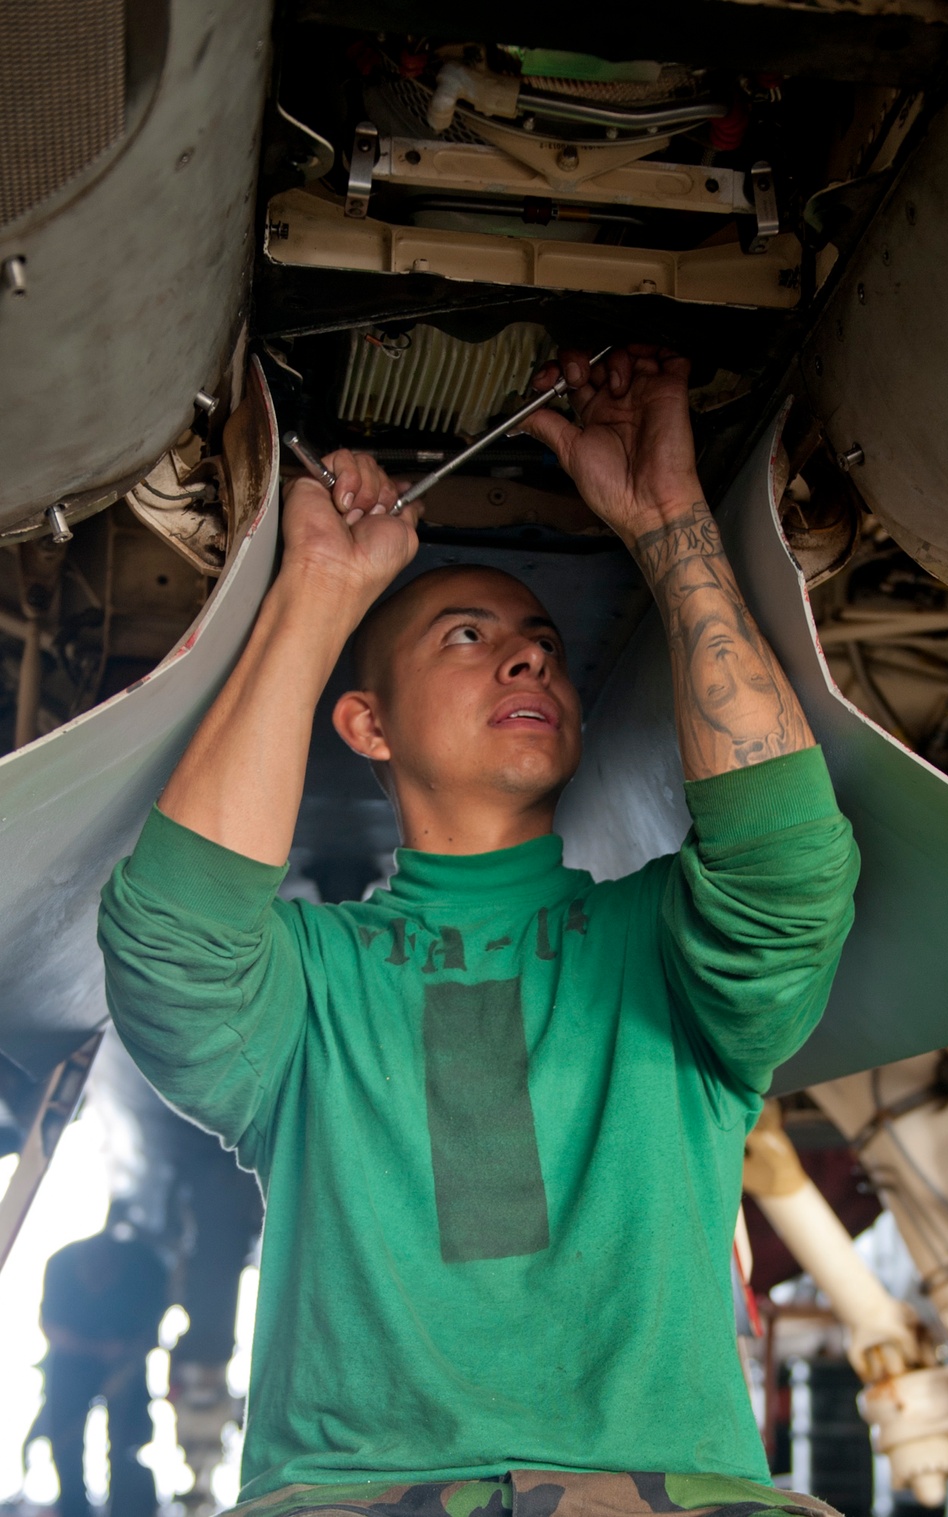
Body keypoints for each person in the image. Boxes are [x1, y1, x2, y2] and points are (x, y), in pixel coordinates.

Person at [97, 347, 859, 1517]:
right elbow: (171, 947)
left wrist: (666, 519)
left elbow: (786, 869)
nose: (528, 653)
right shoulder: (311, 985)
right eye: (464, 635)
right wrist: (322, 587)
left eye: (542, 643)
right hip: (357, 1495)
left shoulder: (662, 946)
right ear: (366, 723)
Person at [31, 1215, 166, 1517]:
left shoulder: (146, 1268)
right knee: (64, 1445)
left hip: (126, 1361)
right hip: (71, 1363)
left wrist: (126, 1353)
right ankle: (74, 1511)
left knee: (128, 1443)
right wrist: (95, 1349)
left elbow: (157, 1318)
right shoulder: (60, 1266)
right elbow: (50, 1325)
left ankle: (128, 1510)